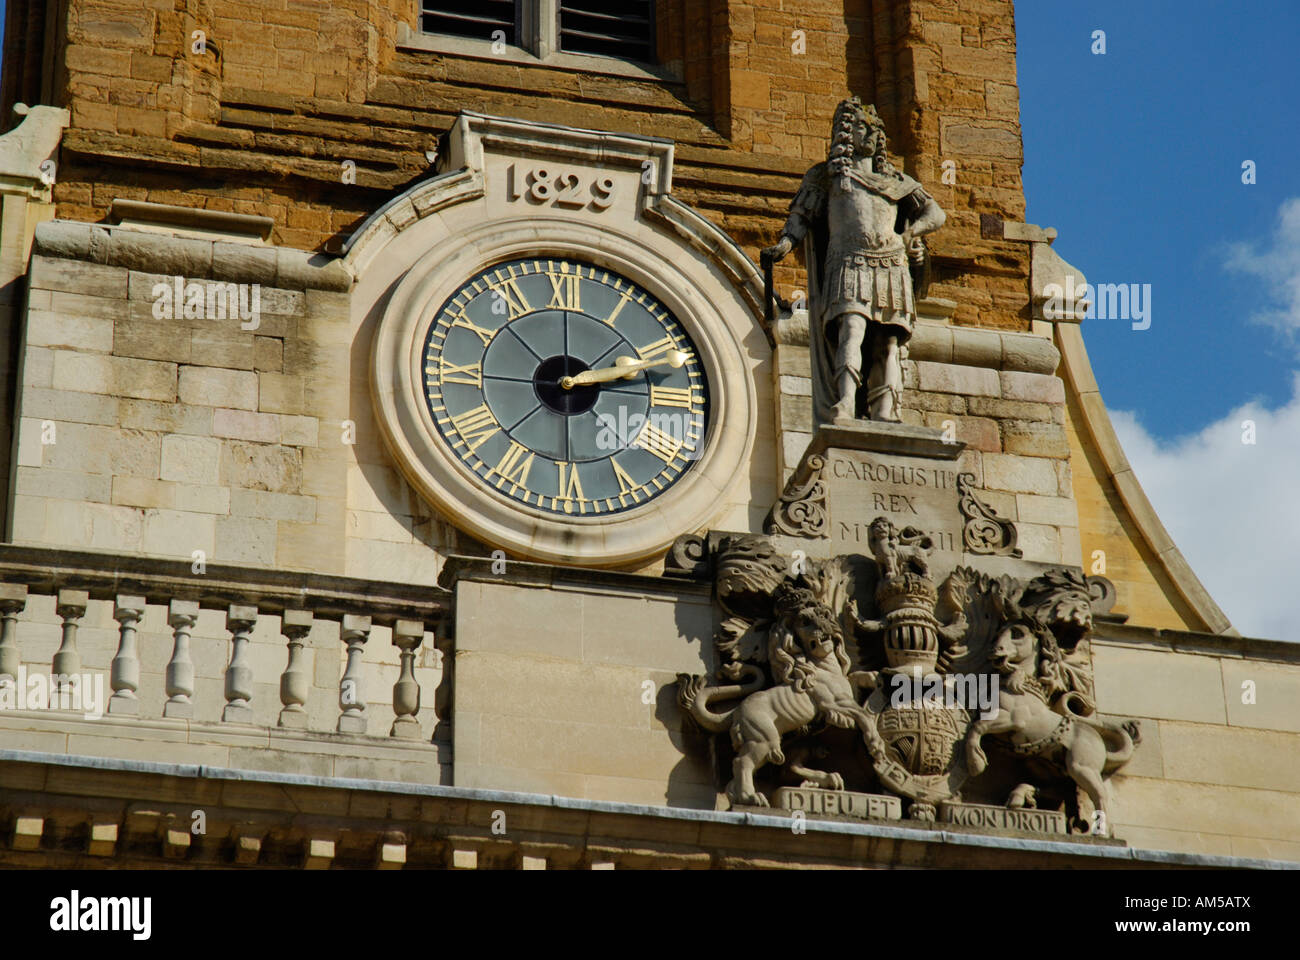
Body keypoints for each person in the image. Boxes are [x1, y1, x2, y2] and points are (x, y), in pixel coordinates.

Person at [763, 98, 945, 423]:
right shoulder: (827, 177)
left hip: (891, 264)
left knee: (889, 341)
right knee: (851, 328)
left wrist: (913, 233)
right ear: (846, 132)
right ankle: (844, 403)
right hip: (849, 262)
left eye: (877, 130)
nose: (872, 135)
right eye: (864, 127)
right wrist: (785, 245)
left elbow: (936, 213)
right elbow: (801, 217)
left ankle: (885, 412)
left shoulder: (898, 181)